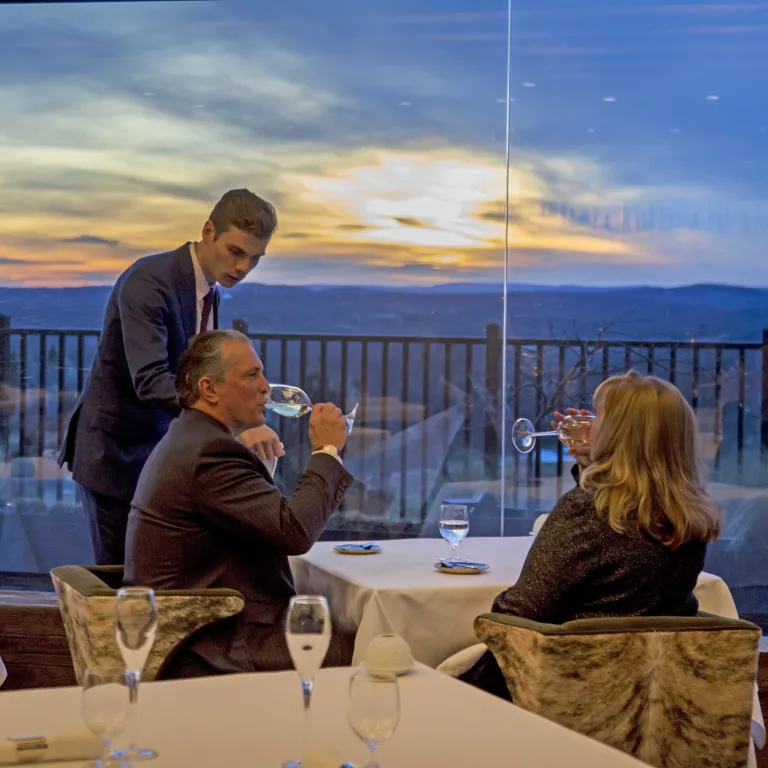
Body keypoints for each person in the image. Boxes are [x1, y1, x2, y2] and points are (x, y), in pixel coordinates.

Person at [460, 370, 722, 699]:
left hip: (560, 693)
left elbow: (515, 616)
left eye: (600, 416)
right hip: (645, 699)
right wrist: (592, 465)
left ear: (618, 434)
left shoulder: (587, 511)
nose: (589, 423)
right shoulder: (688, 518)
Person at [58, 189, 284, 565]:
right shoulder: (149, 281)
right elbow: (151, 381)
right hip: (117, 456)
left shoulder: (207, 291)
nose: (244, 267)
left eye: (255, 258)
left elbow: (201, 377)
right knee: (121, 593)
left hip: (160, 459)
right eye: (236, 252)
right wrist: (234, 422)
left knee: (160, 586)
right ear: (208, 231)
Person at [124, 330, 353, 677]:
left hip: (202, 631)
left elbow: (252, 525)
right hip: (214, 646)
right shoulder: (210, 452)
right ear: (209, 389)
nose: (265, 386)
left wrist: (263, 476)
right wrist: (327, 451)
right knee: (377, 644)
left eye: (262, 373)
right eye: (251, 375)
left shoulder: (192, 437)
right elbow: (294, 531)